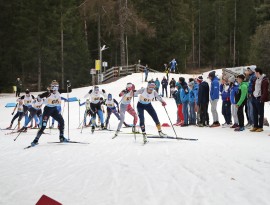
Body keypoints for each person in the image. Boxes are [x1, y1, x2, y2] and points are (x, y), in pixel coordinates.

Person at [29, 80, 71, 146]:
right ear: (51, 88)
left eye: (56, 88)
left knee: (61, 121)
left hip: (54, 110)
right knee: (44, 126)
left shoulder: (58, 92)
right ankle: (35, 140)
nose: (55, 90)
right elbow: (39, 96)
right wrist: (39, 98)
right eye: (53, 88)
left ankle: (61, 137)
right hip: (47, 110)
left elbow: (69, 90)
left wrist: (69, 85)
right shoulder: (48, 93)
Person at [250, 68, 269, 132]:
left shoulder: (264, 80)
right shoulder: (255, 79)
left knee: (260, 113)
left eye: (255, 72)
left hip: (259, 98)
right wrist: (252, 95)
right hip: (254, 98)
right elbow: (253, 88)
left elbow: (265, 91)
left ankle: (260, 126)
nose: (255, 74)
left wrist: (262, 99)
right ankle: (255, 126)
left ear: (258, 73)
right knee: (254, 113)